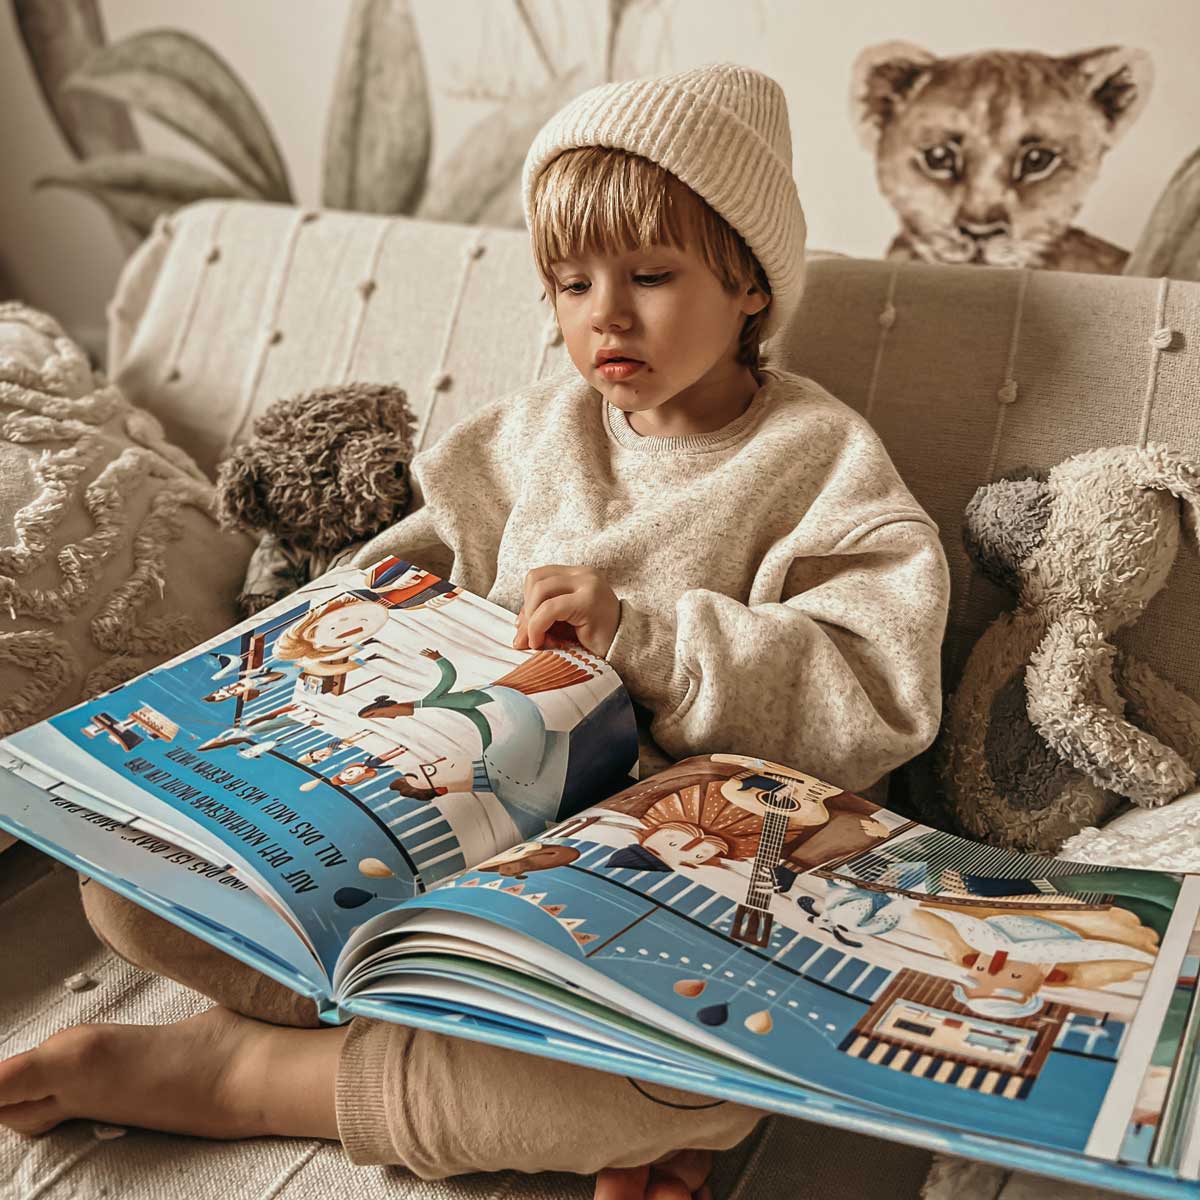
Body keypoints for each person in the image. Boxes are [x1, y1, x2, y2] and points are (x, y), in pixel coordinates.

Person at [0, 62, 949, 1199]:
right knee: (125, 888)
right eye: (570, 282)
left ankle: (245, 1077)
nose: (606, 314)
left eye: (650, 274)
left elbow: (879, 693)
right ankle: (518, 1074)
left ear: (750, 285)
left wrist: (644, 633)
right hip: (434, 838)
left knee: (707, 1082)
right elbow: (389, 580)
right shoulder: (529, 431)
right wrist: (321, 644)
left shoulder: (818, 459)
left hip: (642, 893)